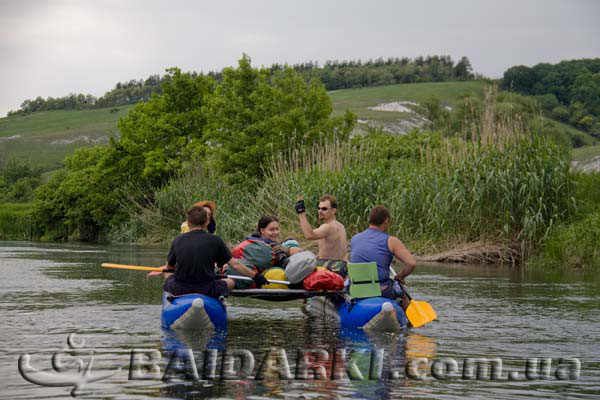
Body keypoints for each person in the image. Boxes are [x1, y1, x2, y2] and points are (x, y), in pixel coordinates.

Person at [161, 205, 268, 298]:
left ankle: (172, 298)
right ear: (207, 222)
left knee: (167, 274)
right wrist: (255, 276)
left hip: (180, 288)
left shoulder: (178, 239)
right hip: (207, 289)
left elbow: (169, 267)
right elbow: (235, 265)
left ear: (188, 223)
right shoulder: (215, 240)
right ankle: (216, 298)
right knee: (231, 282)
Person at [350, 205, 416, 308]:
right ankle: (408, 322)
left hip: (356, 289)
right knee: (403, 295)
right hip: (381, 290)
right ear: (386, 220)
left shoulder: (355, 238)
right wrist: (400, 276)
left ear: (370, 220)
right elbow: (411, 264)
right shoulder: (391, 240)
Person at [295, 194, 348, 276]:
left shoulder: (328, 227)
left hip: (332, 269)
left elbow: (309, 235)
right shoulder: (340, 226)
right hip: (342, 268)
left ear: (334, 211)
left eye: (324, 209)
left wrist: (301, 213)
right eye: (319, 208)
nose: (320, 211)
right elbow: (330, 250)